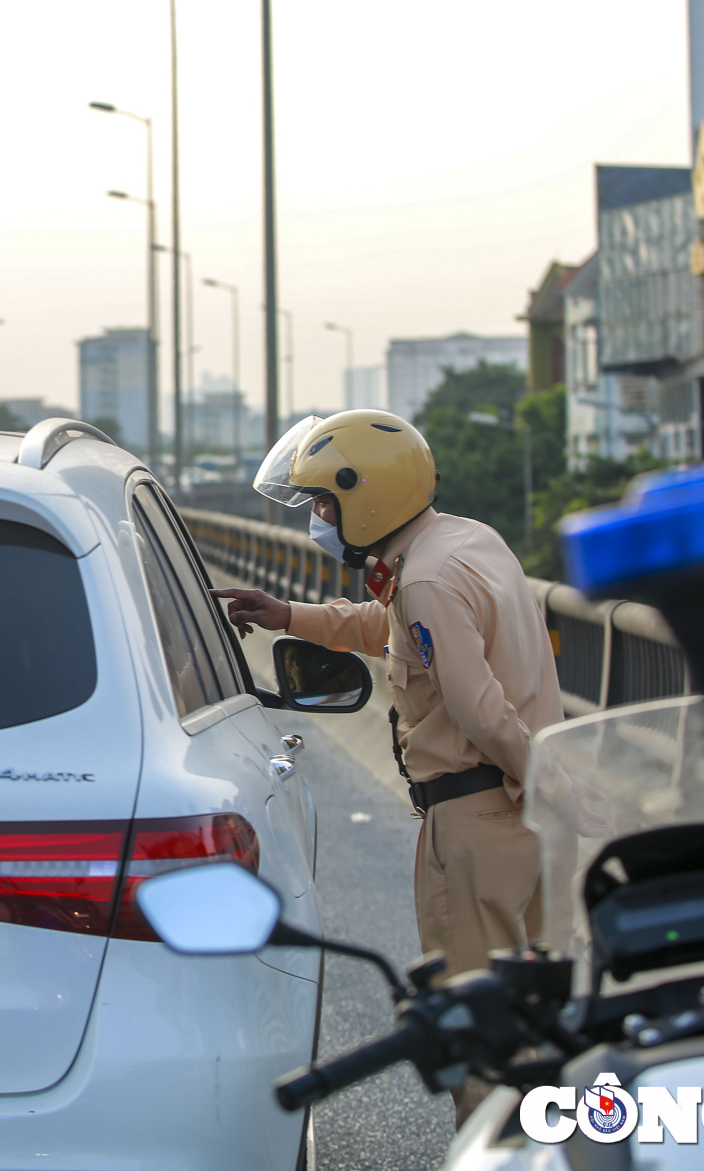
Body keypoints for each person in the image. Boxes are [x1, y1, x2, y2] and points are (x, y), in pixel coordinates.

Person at [211, 409, 562, 1126]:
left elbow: (481, 709)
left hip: (476, 819)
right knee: (535, 1023)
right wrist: (290, 615)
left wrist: (539, 774)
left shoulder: (425, 578)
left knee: (480, 1032)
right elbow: (394, 630)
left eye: (324, 502)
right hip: (528, 819)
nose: (317, 518)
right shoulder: (462, 543)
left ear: (365, 493)